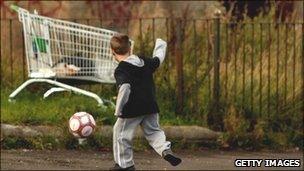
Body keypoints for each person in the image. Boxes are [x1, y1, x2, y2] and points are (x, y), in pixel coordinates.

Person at [110, 34, 182, 170]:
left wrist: (118, 110)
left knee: (120, 134)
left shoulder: (121, 69)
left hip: (131, 109)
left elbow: (125, 88)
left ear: (112, 51)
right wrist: (160, 43)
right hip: (150, 106)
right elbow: (158, 59)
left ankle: (125, 165)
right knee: (154, 132)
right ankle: (165, 149)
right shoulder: (143, 61)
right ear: (130, 48)